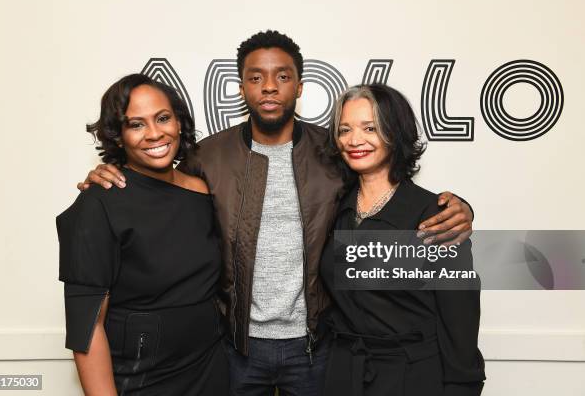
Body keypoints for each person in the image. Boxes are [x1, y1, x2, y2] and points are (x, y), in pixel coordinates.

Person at [77, 31, 474, 396]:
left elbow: (385, 191)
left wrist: (458, 208)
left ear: (300, 86)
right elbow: (161, 191)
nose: (269, 86)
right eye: (256, 78)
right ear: (240, 88)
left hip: (317, 349)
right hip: (234, 349)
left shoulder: (333, 153)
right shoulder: (207, 158)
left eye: (282, 76)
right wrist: (110, 172)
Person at [57, 74, 228, 395]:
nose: (154, 133)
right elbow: (86, 328)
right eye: (136, 124)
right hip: (142, 379)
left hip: (210, 371)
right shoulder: (98, 202)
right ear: (118, 136)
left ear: (178, 122)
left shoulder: (202, 190)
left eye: (163, 118)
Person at [319, 84, 485, 396]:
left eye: (370, 128)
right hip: (343, 374)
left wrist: (462, 387)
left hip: (413, 378)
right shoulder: (334, 208)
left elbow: (459, 322)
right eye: (344, 129)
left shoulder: (436, 216)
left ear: (394, 132)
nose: (354, 140)